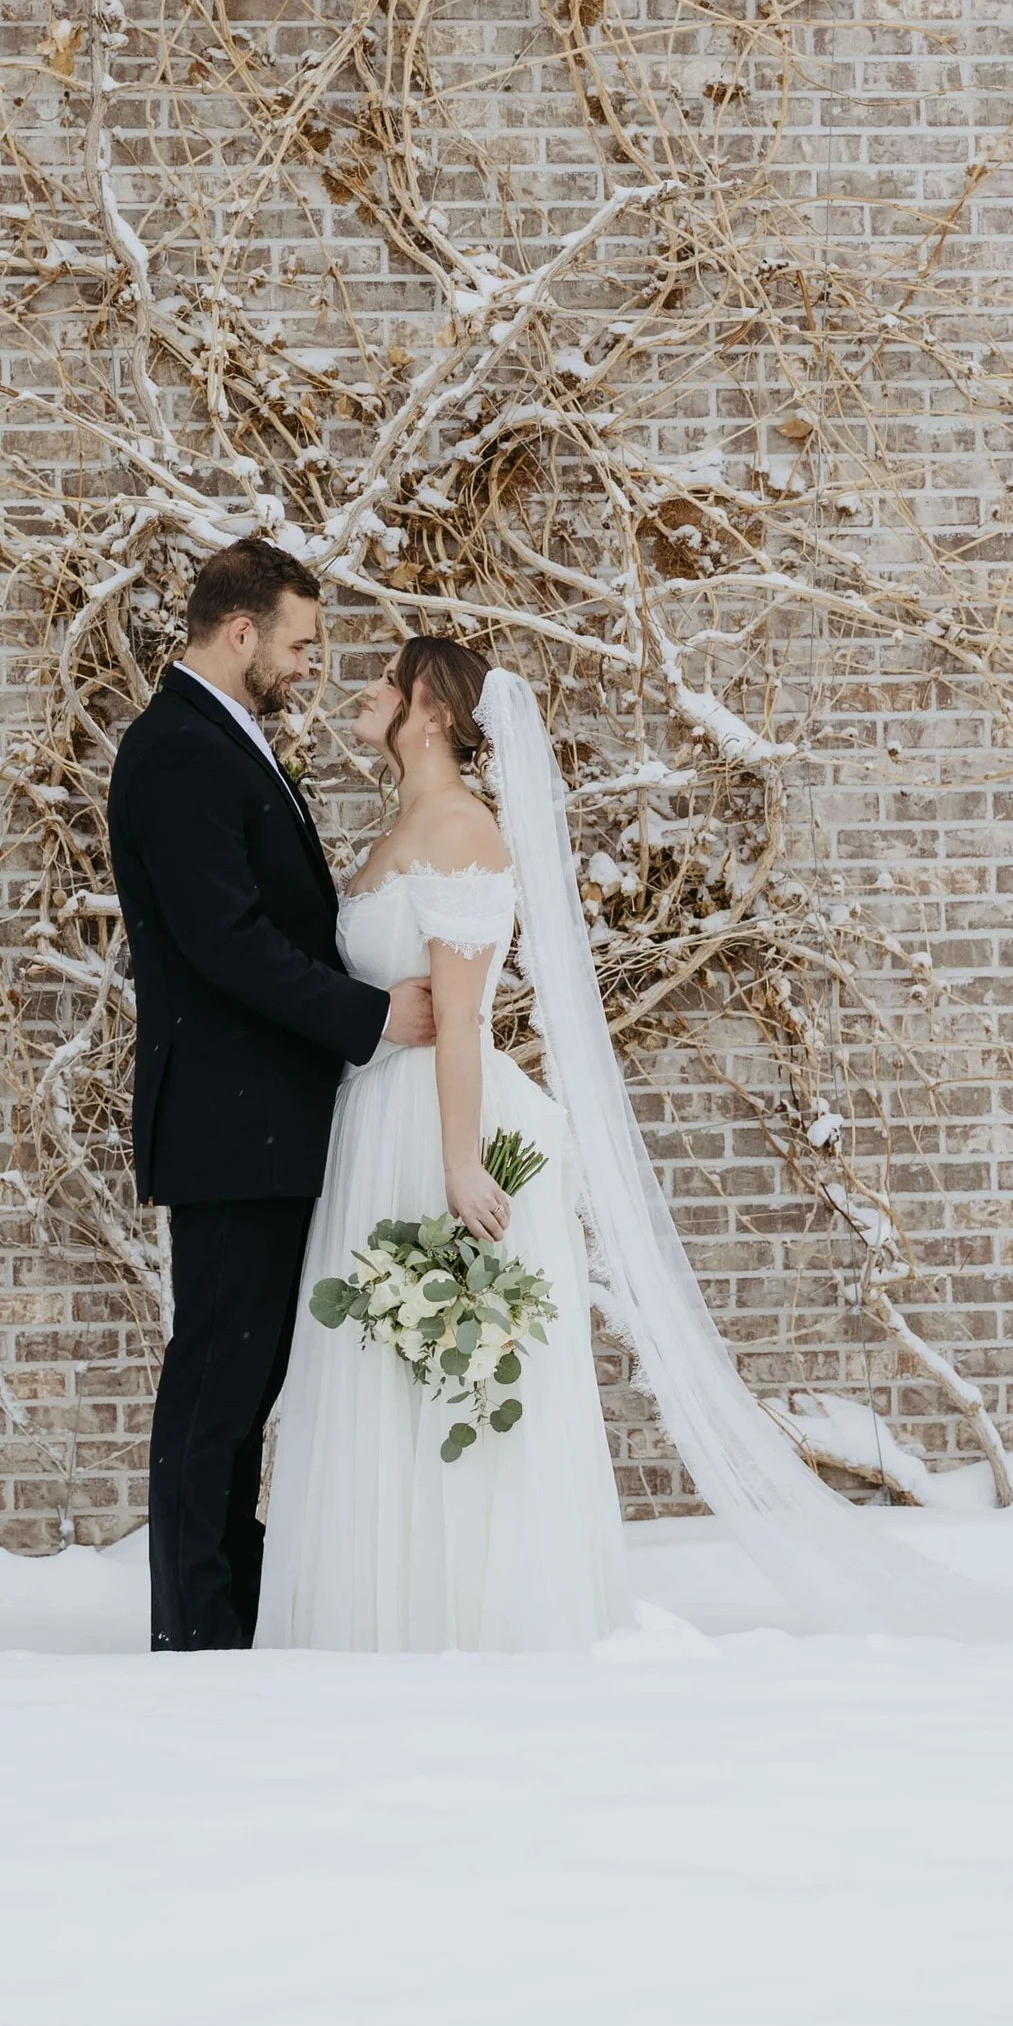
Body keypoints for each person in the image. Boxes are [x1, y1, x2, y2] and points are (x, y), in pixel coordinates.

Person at [255, 635, 632, 1652]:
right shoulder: (401, 825)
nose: (360, 691)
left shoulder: (461, 830)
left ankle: (456, 1612)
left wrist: (461, 1164)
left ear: (429, 710)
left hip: (438, 1123)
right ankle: (375, 1603)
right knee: (372, 1370)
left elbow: (461, 1018)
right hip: (376, 1113)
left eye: (384, 680)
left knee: (434, 1363)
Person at [106, 540, 436, 1651]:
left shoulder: (221, 739)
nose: (309, 663)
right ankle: (196, 1638)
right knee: (215, 1388)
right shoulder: (178, 752)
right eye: (298, 642)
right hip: (227, 1122)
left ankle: (225, 1624)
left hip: (258, 1119)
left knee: (240, 1387)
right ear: (238, 632)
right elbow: (227, 941)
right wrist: (374, 1016)